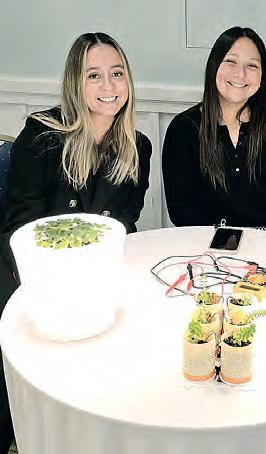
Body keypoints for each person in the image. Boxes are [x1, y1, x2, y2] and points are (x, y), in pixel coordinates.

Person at [0, 32, 152, 452]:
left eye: (117, 74)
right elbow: (18, 229)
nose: (109, 86)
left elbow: (124, 225)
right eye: (94, 75)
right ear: (75, 82)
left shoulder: (137, 147)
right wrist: (60, 285)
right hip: (30, 281)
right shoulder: (42, 137)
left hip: (93, 281)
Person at [162, 26, 266, 229]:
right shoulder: (183, 129)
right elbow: (181, 209)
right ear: (214, 66)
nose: (240, 74)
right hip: (205, 243)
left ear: (262, 75)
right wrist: (224, 241)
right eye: (231, 61)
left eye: (252, 65)